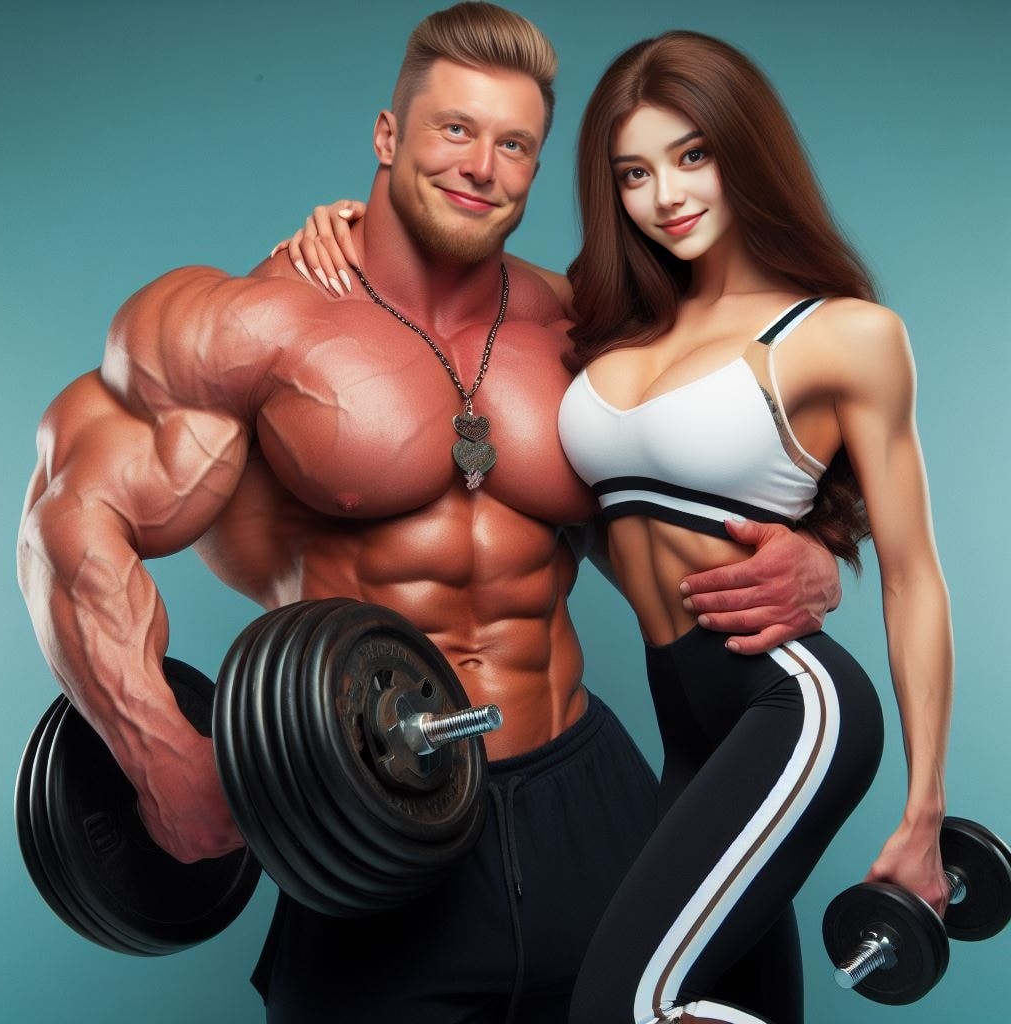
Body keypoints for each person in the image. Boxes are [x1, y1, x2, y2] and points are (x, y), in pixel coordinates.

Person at [17, 6, 842, 1023]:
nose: (482, 166)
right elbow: (69, 519)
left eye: (514, 145)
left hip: (592, 803)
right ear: (387, 135)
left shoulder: (581, 327)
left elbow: (717, 480)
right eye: (455, 129)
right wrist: (156, 747)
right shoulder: (251, 324)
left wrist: (815, 557)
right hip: (370, 834)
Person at [291, 25, 954, 1024]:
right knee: (740, 994)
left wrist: (924, 811)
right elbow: (437, 296)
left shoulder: (843, 336)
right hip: (683, 718)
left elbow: (913, 577)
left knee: (620, 1002)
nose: (667, 195)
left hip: (791, 705)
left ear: (747, 150)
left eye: (693, 155)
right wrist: (341, 224)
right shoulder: (601, 316)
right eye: (634, 171)